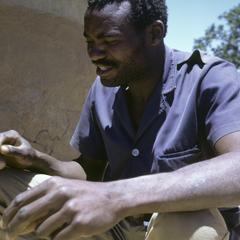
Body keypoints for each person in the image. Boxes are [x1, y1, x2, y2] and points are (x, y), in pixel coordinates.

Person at [0, 0, 240, 239]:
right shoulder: (105, 86)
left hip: (174, 225)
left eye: (110, 41)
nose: (94, 54)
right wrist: (35, 159)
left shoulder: (209, 78)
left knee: (189, 225)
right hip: (114, 226)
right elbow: (88, 171)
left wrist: (115, 197)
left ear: (154, 34)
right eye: (90, 42)